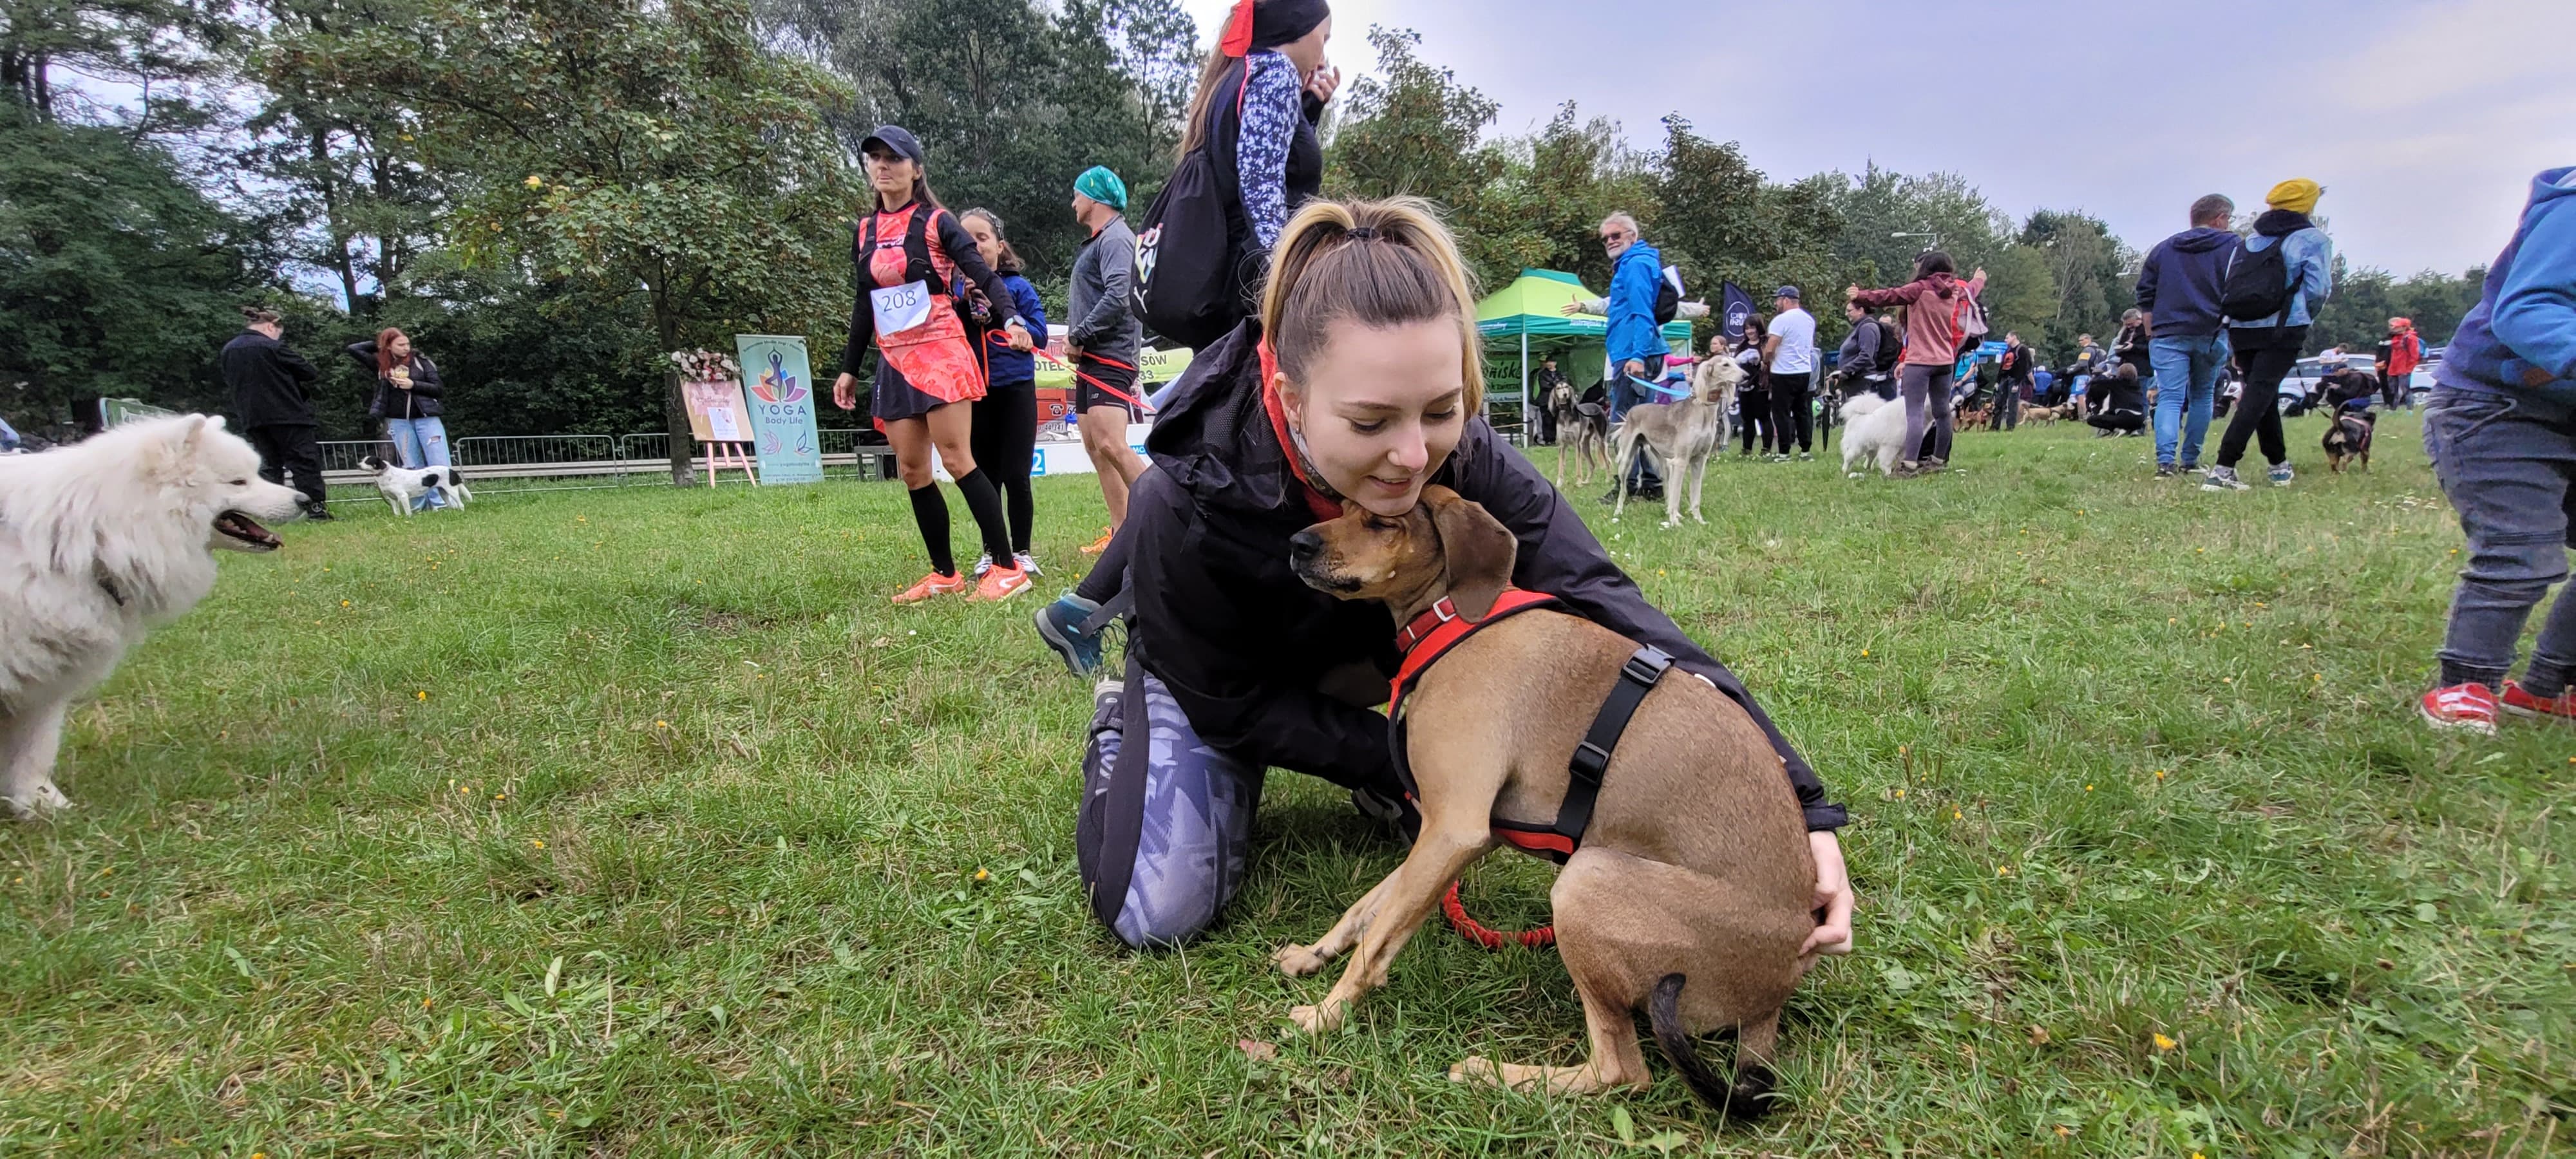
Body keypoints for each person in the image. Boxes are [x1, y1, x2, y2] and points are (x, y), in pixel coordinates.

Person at [1054, 194, 1855, 956]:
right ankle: (1125, 726)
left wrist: (1799, 795)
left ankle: (1384, 758)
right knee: (1156, 908)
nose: (1412, 455)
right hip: (1223, 681)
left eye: (1441, 410)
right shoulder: (1187, 491)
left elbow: (1605, 603)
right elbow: (1233, 702)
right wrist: (1400, 760)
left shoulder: (1469, 461)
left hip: (1362, 649)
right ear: (1292, 399)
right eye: (1370, 422)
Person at [831, 125, 1034, 604]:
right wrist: (848, 367)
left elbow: (983, 274)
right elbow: (866, 302)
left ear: (915, 170)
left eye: (894, 158)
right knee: (912, 469)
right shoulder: (864, 230)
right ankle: (945, 574)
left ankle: (1007, 568)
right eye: (875, 158)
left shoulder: (937, 221)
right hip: (895, 359)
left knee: (958, 459)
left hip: (941, 352)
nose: (883, 166)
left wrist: (1012, 318)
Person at [2417, 165, 2576, 733]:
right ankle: (2466, 684)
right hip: (2495, 407)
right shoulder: (2572, 207)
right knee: (2522, 551)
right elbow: (2528, 309)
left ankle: (2548, 687)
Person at [1171, 0, 1337, 348]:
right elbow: (1261, 185)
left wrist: (1307, 110)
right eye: (1324, 38)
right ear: (1299, 28)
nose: (1323, 56)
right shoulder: (1276, 72)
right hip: (1255, 281)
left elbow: (1261, 160)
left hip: (1228, 273)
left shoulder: (1237, 75)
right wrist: (1284, 278)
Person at [2204, 180, 2334, 491]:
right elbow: (2318, 289)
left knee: (2263, 393)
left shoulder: (2249, 240)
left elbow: (2229, 282)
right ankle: (2223, 468)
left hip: (2242, 325)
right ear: (2308, 205)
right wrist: (2305, 316)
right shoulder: (2312, 240)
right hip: (2284, 325)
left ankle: (2278, 466)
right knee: (2258, 394)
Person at [1065, 167, 1149, 556]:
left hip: (1110, 355)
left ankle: (1166, 517)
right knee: (1095, 446)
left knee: (1113, 444)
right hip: (1093, 357)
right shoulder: (1100, 239)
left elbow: (1119, 295)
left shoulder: (1116, 238)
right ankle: (1121, 532)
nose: (1073, 203)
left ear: (1095, 199)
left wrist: (1080, 334)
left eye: (1078, 195)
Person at [960, 208, 1047, 578]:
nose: (976, 246)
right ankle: (993, 551)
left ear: (999, 245)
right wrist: (962, 305)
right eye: (967, 241)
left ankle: (1022, 551)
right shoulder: (953, 292)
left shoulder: (1018, 288)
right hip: (975, 393)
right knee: (985, 476)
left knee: (1017, 474)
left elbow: (1040, 335)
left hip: (1015, 391)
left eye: (982, 238)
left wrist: (1020, 331)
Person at [1848, 253, 1986, 477]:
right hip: (1946, 362)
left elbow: (1889, 296)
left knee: (1915, 414)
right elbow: (1974, 288)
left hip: (1920, 361)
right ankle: (1938, 460)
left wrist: (1861, 296)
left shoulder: (1919, 289)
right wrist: (1980, 277)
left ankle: (1909, 465)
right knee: (1942, 413)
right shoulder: (1955, 290)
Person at [1563, 212, 1669, 500]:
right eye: (1606, 238)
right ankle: (1651, 485)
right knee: (1643, 423)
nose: (1609, 241)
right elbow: (1622, 307)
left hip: (1636, 355)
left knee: (1625, 424)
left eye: (1616, 235)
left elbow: (1642, 313)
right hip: (1640, 352)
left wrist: (1636, 356)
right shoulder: (1634, 264)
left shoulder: (1635, 265)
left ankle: (1626, 485)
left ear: (1632, 237)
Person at [2136, 194, 2244, 478]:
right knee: (2202, 396)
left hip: (2167, 332)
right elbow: (2240, 288)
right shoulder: (2233, 247)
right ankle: (2190, 461)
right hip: (2211, 331)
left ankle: (2165, 463)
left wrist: (2150, 329)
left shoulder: (2164, 249)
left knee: (2170, 397)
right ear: (2219, 218)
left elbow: (2145, 292)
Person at [220, 305, 330, 520]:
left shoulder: (228, 350)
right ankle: (316, 509)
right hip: (288, 413)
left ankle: (271, 511)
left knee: (268, 464)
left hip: (252, 416)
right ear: (271, 327)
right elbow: (308, 372)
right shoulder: (271, 346)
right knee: (303, 461)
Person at [344, 327, 450, 513]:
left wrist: (413, 385)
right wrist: (379, 345)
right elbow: (354, 349)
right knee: (411, 465)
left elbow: (438, 389)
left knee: (439, 463)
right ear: (389, 346)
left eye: (408, 344)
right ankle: (418, 506)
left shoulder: (421, 362)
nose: (406, 348)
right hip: (399, 421)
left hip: (427, 418)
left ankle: (442, 505)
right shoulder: (381, 364)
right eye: (400, 344)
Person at [1759, 286, 1817, 460]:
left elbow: (1771, 348)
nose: (1776, 303)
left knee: (1781, 413)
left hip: (1784, 372)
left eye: (1778, 300)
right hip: (1804, 370)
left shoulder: (1781, 320)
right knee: (1803, 412)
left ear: (1785, 300)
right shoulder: (1809, 320)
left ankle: (1784, 451)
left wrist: (1765, 361)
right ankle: (1805, 450)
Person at [1833, 299, 1897, 404]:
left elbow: (1867, 355)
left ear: (1861, 311)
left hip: (1864, 382)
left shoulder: (1867, 328)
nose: (1846, 314)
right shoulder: (1862, 327)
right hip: (1857, 380)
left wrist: (1846, 370)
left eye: (1849, 311)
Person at [1732, 316, 1774, 457]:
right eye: (1747, 328)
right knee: (1747, 419)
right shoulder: (1742, 346)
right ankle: (1746, 449)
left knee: (1764, 417)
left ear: (1759, 328)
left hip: (1761, 386)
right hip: (1744, 387)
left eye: (1752, 327)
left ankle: (1766, 449)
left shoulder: (1765, 344)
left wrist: (1764, 364)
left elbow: (1773, 361)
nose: (1750, 331)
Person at [2085, 364, 2148, 437]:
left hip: (2123, 417)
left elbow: (2096, 384)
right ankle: (2135, 430)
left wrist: (2105, 376)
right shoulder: (2138, 385)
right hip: (2140, 418)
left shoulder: (2115, 383)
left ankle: (2117, 429)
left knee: (2091, 420)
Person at [2377, 316, 2424, 410]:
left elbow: (2414, 356)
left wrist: (2408, 368)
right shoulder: (2395, 338)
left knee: (2405, 390)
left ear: (2404, 327)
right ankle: (2392, 409)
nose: (2394, 328)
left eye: (2397, 326)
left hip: (2404, 370)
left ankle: (2409, 410)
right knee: (2393, 391)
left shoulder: (2410, 338)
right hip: (2393, 369)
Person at [1993, 332, 2033, 430]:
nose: (2005, 340)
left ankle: (2010, 426)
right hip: (2004, 378)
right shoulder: (2008, 350)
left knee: (2012, 403)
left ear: (2014, 337)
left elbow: (2024, 367)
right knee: (1999, 402)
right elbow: (2002, 366)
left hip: (2014, 379)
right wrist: (1998, 381)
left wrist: (2017, 383)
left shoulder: (2022, 350)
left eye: (2007, 338)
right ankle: (1995, 426)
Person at [2066, 333, 2108, 416]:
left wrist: (2070, 371)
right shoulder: (2096, 350)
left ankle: (2083, 416)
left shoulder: (2087, 350)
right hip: (2090, 375)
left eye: (2081, 340)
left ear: (2088, 339)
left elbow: (2082, 363)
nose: (2080, 343)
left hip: (2082, 375)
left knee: (2080, 396)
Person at [1532, 355, 1568, 444]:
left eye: (1551, 362)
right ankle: (1548, 439)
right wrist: (1556, 385)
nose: (1549, 364)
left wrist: (1554, 384)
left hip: (1558, 401)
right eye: (1547, 362)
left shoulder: (1560, 374)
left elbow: (1564, 384)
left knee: (1556, 420)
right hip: (1545, 400)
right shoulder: (1542, 374)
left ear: (1555, 363)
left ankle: (1555, 439)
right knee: (1546, 420)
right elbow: (1544, 386)